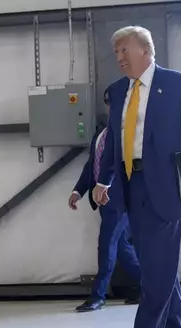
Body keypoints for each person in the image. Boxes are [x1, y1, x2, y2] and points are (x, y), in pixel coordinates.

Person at [92, 25, 181, 328]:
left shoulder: (177, 85)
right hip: (132, 186)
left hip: (167, 187)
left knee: (157, 263)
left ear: (145, 50)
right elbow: (115, 141)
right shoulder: (118, 91)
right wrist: (103, 181)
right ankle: (175, 324)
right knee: (153, 263)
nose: (118, 58)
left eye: (124, 51)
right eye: (116, 52)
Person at [68, 88, 141, 312]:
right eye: (109, 102)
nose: (112, 106)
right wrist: (78, 191)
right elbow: (92, 166)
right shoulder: (100, 135)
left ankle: (98, 296)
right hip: (103, 201)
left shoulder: (129, 135)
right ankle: (148, 287)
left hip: (120, 201)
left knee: (107, 245)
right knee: (120, 247)